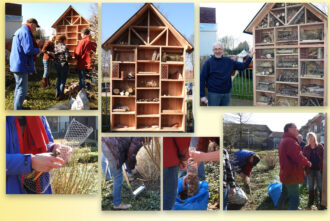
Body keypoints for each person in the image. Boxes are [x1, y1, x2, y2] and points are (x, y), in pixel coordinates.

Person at [6, 116, 70, 194]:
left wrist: (54, 148)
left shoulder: (40, 115)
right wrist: (30, 162)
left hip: (41, 188)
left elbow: (47, 143)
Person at [102, 137, 144, 210]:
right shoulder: (140, 137)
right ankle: (117, 204)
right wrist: (133, 168)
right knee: (118, 176)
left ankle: (130, 174)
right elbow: (131, 154)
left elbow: (128, 152)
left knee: (117, 171)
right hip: (112, 147)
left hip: (106, 142)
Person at [277, 123, 311, 210]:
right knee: (295, 198)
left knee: (284, 193)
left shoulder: (285, 140)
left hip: (285, 173)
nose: (297, 129)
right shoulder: (291, 141)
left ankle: (278, 209)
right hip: (292, 174)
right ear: (289, 129)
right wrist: (307, 162)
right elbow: (298, 157)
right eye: (295, 127)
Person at [10, 18, 40, 110]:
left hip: (16, 63)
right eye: (35, 27)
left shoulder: (19, 31)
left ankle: (17, 107)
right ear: (32, 24)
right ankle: (18, 110)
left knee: (18, 87)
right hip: (22, 64)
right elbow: (28, 50)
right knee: (23, 89)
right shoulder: (26, 32)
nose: (35, 30)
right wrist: (38, 50)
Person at [163, 137, 191, 210]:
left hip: (159, 157)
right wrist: (184, 158)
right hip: (168, 158)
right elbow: (182, 138)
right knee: (168, 195)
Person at [303, 132, 324, 208]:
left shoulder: (320, 147)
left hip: (319, 169)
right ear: (307, 139)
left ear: (314, 137)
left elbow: (324, 158)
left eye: (311, 136)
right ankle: (310, 202)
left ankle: (322, 202)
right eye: (309, 137)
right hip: (310, 170)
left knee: (320, 186)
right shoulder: (306, 148)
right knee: (311, 186)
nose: (310, 138)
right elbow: (304, 159)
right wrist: (304, 170)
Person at [54, 35, 72, 100]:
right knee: (63, 80)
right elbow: (67, 57)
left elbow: (54, 56)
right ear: (64, 40)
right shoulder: (64, 47)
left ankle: (57, 93)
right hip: (63, 65)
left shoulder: (56, 46)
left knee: (59, 78)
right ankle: (61, 95)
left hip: (57, 64)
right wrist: (71, 56)